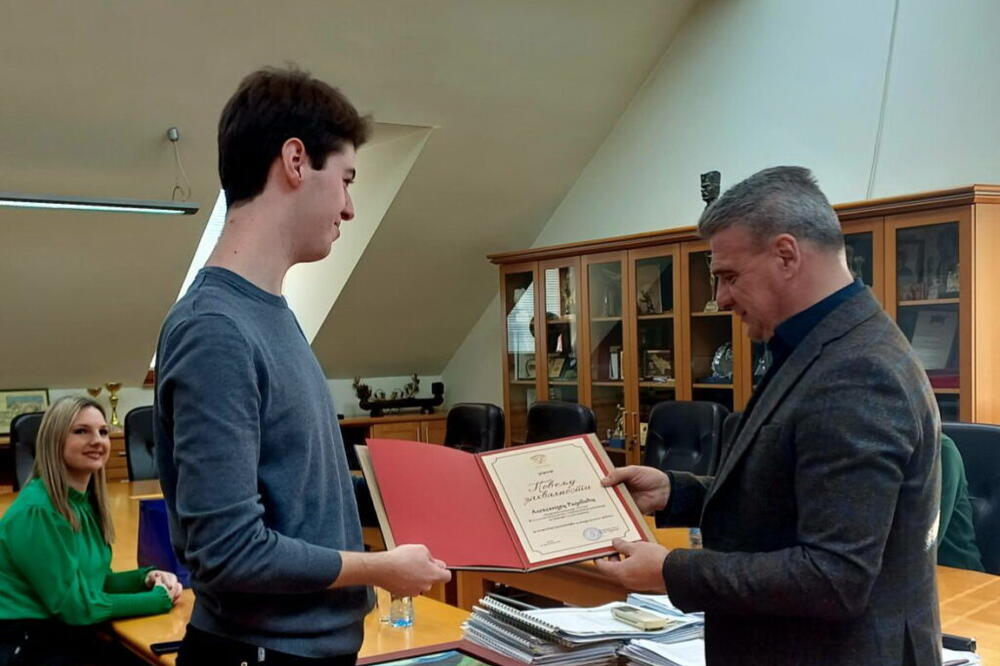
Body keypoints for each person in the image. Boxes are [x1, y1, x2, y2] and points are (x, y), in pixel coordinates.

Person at [153, 66, 451, 665]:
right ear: (295, 161)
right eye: (344, 181)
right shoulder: (216, 329)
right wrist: (381, 568)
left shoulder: (272, 314)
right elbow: (229, 550)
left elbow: (299, 499)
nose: (348, 209)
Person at [595, 166, 941, 665]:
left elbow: (833, 577)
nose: (721, 299)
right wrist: (679, 492)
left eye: (729, 277)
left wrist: (673, 571)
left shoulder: (858, 370)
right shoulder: (817, 344)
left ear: (786, 254)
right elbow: (793, 488)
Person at [0, 396, 181, 665]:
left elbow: (96, 580)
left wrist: (145, 578)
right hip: (27, 640)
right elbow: (77, 606)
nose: (98, 440)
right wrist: (158, 600)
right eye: (81, 431)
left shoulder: (83, 503)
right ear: (54, 440)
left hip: (61, 630)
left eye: (103, 431)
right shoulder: (38, 511)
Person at [938, 433, 984, 571]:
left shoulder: (941, 449)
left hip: (958, 572)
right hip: (910, 575)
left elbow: (927, 536)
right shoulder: (881, 451)